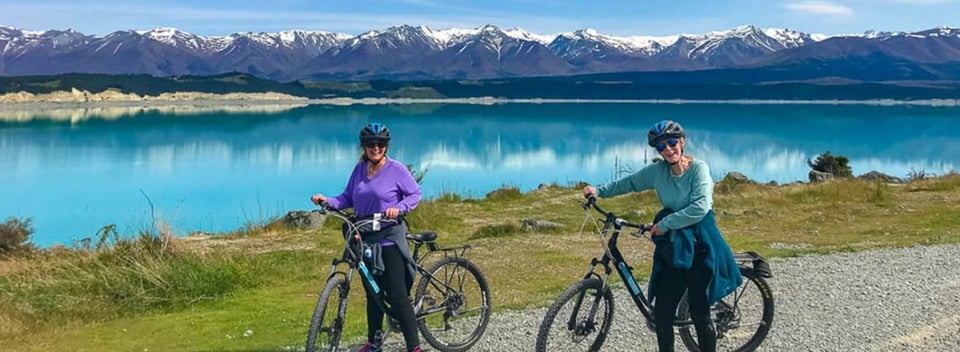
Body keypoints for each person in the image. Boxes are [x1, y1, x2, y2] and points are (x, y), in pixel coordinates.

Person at [582, 120, 742, 352]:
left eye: (672, 142)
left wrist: (665, 224)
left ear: (682, 142)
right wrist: (598, 190)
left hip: (700, 245)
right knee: (664, 315)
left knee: (699, 312)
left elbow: (701, 207)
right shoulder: (658, 171)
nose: (668, 149)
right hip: (675, 247)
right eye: (660, 146)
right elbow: (630, 182)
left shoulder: (699, 169)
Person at [311, 122, 424, 352]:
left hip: (389, 238)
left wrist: (399, 208)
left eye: (381, 143)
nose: (376, 148)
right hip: (364, 239)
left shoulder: (396, 169)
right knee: (373, 293)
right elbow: (347, 197)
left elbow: (415, 194)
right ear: (364, 146)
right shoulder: (359, 170)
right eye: (371, 144)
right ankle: (374, 342)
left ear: (386, 145)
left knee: (396, 294)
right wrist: (327, 202)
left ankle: (414, 346)